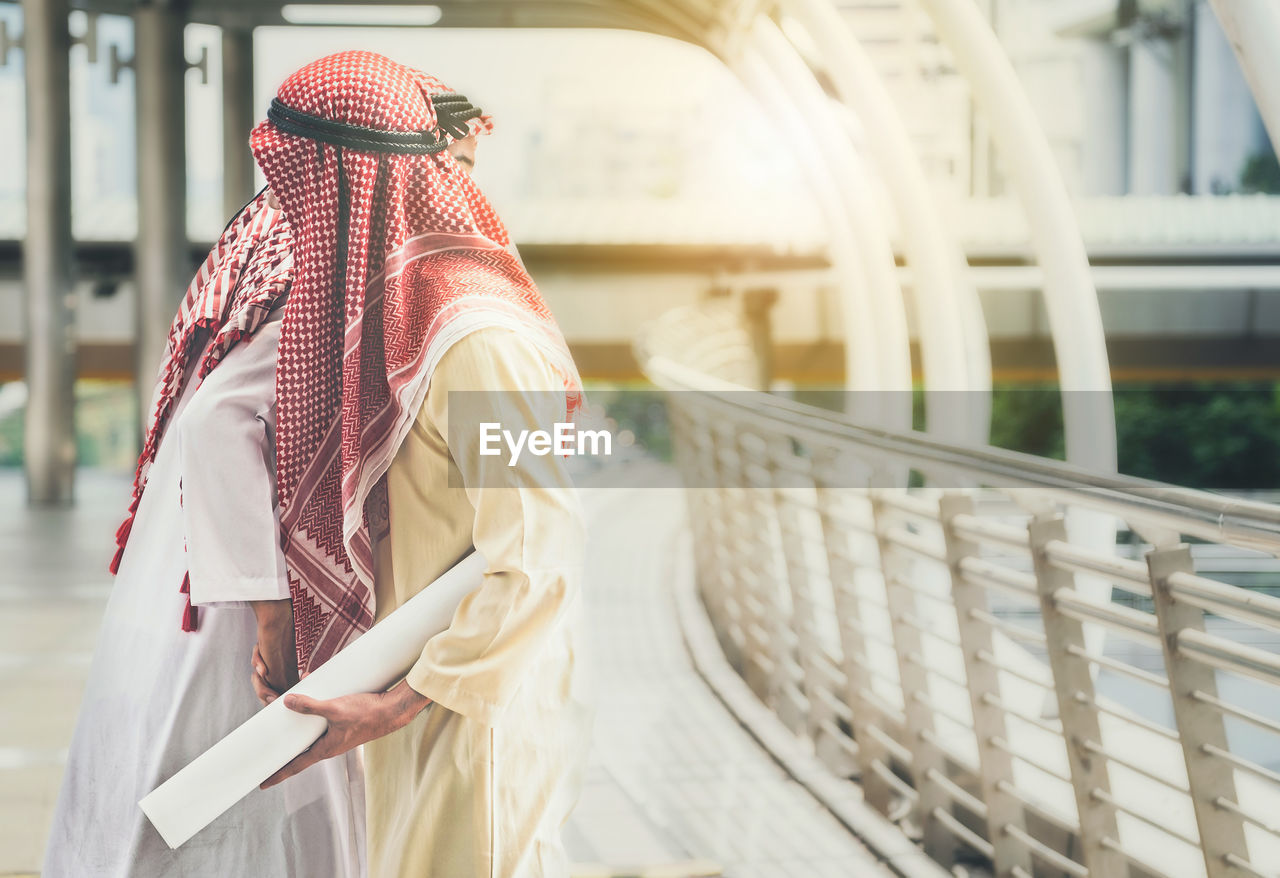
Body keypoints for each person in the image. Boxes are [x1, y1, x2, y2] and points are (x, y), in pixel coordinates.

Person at [246, 52, 592, 877]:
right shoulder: (393, 326)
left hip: (473, 713)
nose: (286, 213)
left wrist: (394, 707)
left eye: (303, 187)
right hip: (413, 697)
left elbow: (540, 557)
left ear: (353, 186)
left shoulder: (482, 342)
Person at [42, 190, 366, 877]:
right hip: (236, 609)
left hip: (187, 582)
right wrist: (274, 618)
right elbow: (218, 422)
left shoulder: (267, 245)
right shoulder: (324, 263)